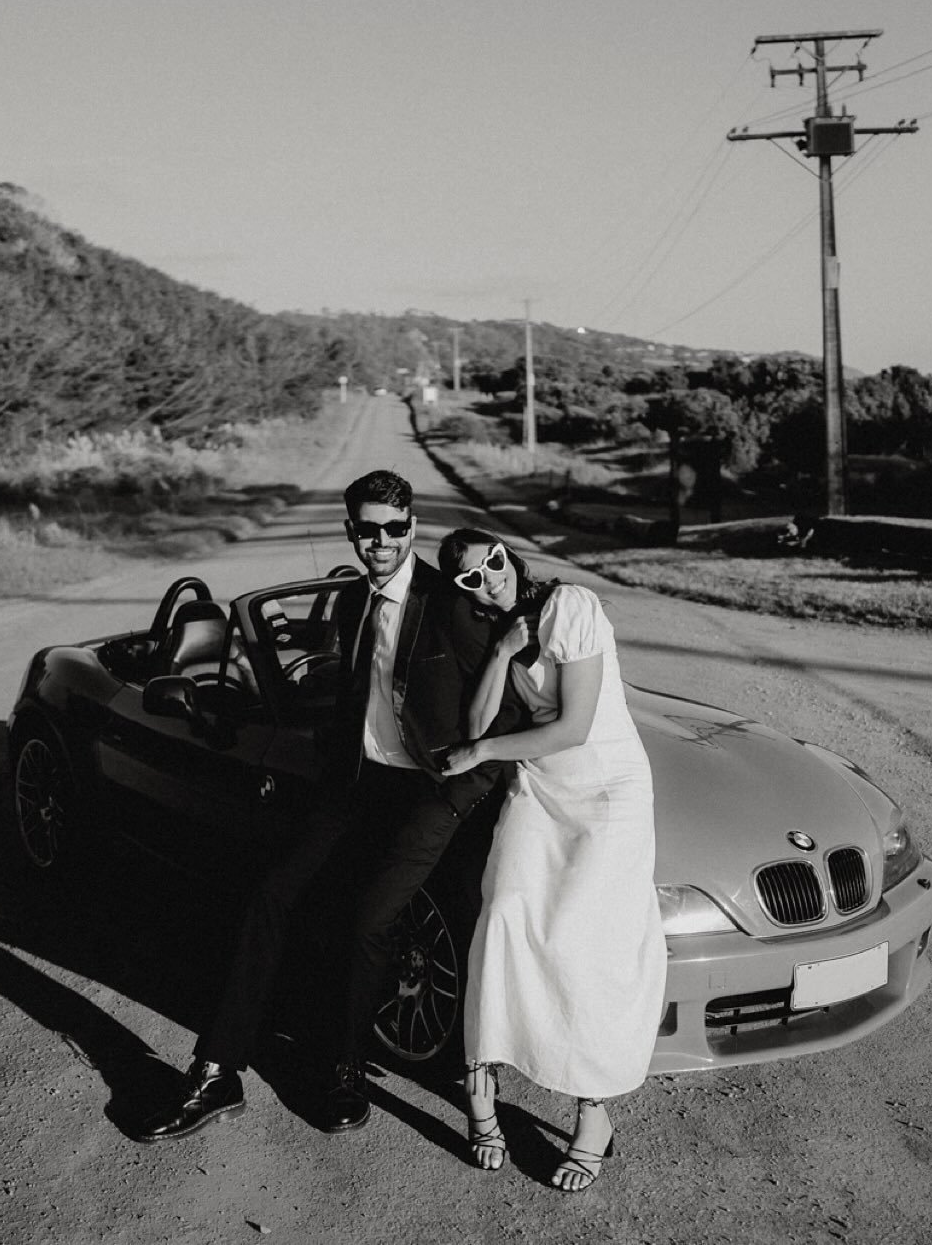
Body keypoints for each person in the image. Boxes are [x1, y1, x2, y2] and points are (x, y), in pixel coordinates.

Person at [134, 472, 517, 1142]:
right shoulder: (351, 602)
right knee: (270, 896)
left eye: (394, 529)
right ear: (351, 531)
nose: (381, 542)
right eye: (367, 530)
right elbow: (353, 701)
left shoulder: (449, 604)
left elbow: (503, 715)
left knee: (368, 920)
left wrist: (457, 798)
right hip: (356, 786)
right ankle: (216, 1070)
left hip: (428, 793)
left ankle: (345, 1068)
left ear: (412, 528)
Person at [437, 529, 666, 1192]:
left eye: (494, 561)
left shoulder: (570, 606)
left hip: (607, 792)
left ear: (509, 555)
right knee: (504, 915)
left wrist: (482, 753)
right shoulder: (497, 634)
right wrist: (502, 651)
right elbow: (476, 725)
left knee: (579, 945)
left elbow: (573, 726)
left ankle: (593, 1115)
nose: (490, 578)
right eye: (471, 577)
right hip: (539, 787)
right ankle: (480, 1092)